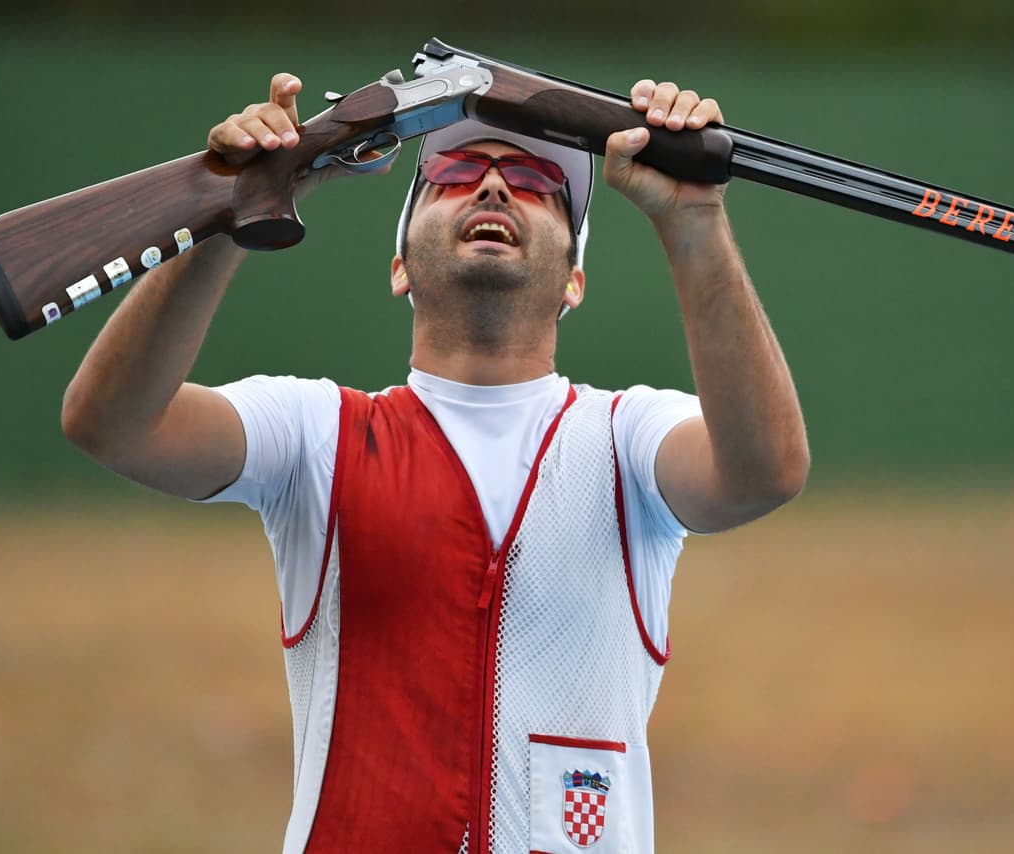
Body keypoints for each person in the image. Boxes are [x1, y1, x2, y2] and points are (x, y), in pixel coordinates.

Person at [61, 66, 809, 853]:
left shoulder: (628, 440)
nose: (492, 188)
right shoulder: (318, 433)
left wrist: (695, 219)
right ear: (399, 266)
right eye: (453, 175)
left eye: (535, 180)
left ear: (574, 281)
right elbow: (112, 424)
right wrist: (228, 211)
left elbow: (766, 472)